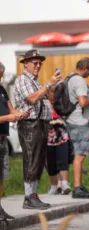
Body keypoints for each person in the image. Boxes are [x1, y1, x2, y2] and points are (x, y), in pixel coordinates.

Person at [14, 49, 61, 209]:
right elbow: (32, 98)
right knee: (31, 159)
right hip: (30, 124)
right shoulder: (22, 80)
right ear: (25, 64)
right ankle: (28, 197)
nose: (38, 65)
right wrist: (49, 85)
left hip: (39, 123)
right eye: (35, 62)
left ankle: (33, 195)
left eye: (40, 62)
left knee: (39, 161)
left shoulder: (34, 80)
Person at [0, 61, 30, 220]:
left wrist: (20, 114)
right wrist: (8, 117)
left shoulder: (2, 90)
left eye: (1, 76)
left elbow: (12, 109)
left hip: (3, 139)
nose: (1, 79)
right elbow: (8, 115)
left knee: (1, 175)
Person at [65, 57, 89, 199]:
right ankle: (77, 187)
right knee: (80, 155)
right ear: (85, 68)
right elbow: (83, 102)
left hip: (73, 120)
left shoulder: (69, 78)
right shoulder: (79, 81)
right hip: (79, 121)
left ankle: (78, 185)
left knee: (79, 154)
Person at [47, 87, 71, 195]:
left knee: (63, 161)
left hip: (62, 136)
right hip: (49, 138)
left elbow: (67, 114)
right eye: (51, 93)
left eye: (55, 93)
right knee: (51, 163)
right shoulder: (44, 104)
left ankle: (65, 184)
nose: (53, 95)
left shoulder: (61, 104)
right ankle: (53, 186)